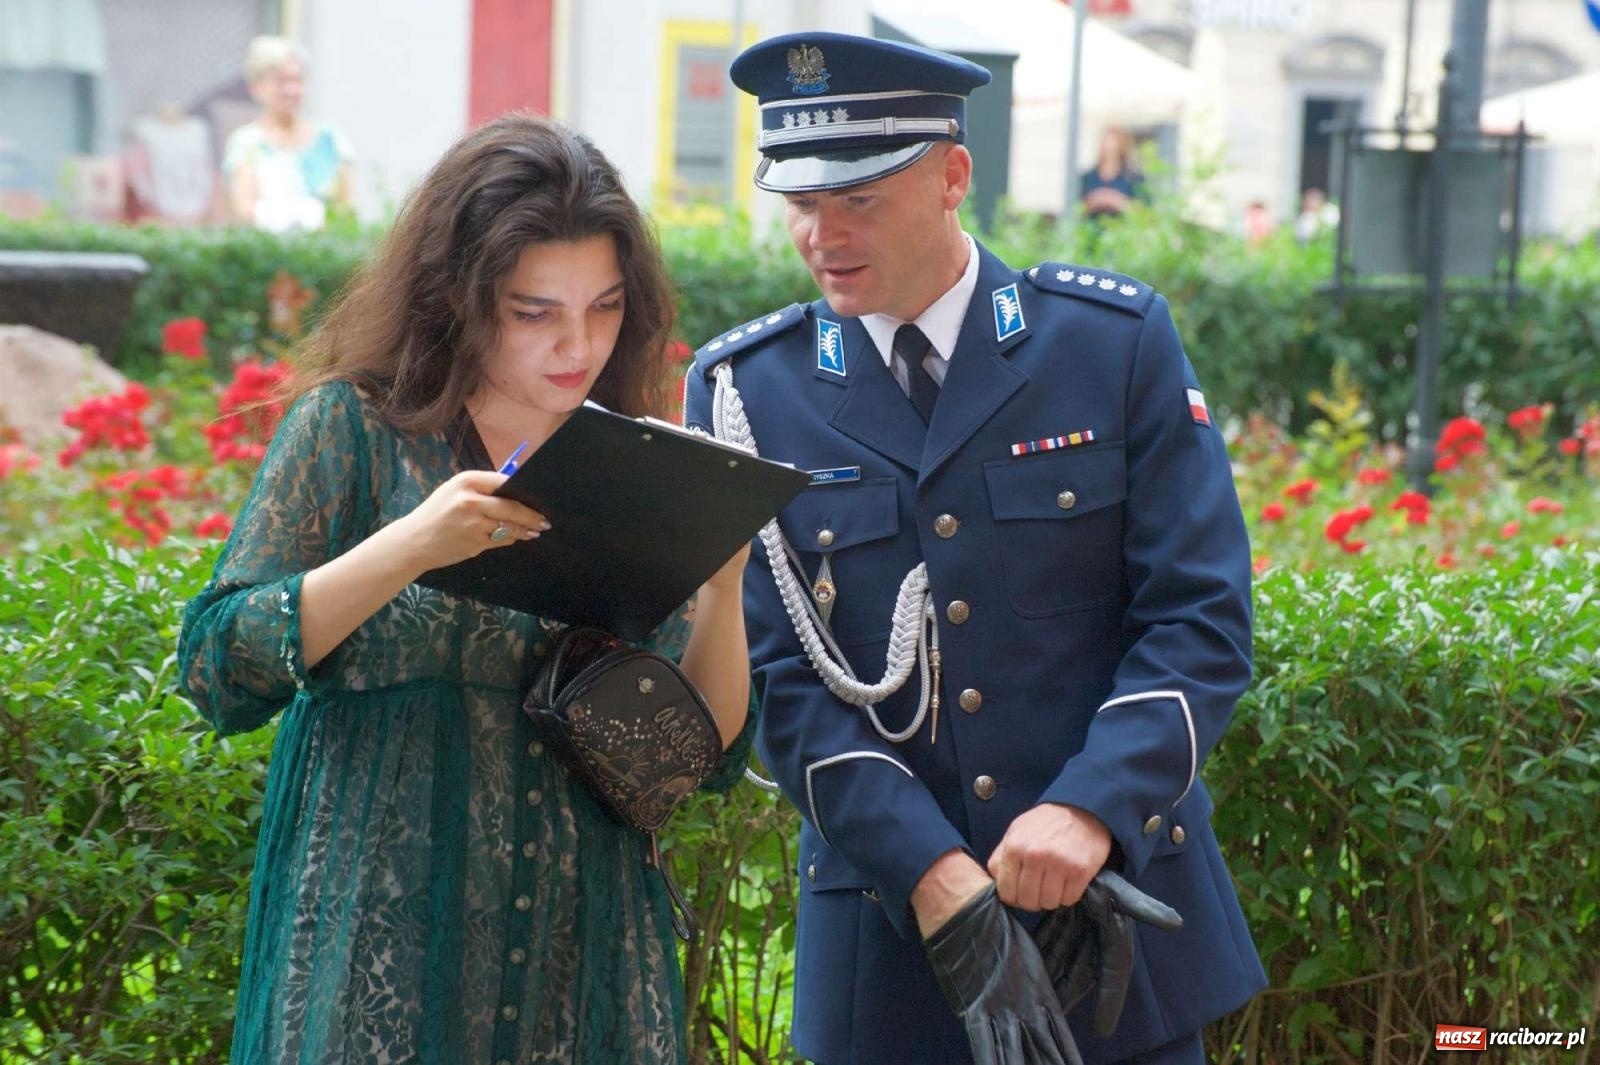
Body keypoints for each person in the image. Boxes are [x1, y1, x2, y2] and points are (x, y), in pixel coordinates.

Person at [684, 32, 1266, 1065]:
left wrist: (1090, 808)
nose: (821, 234)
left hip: (1114, 926)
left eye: (857, 198)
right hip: (889, 951)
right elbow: (780, 676)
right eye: (799, 202)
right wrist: (933, 873)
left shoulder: (1108, 344)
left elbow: (1199, 617)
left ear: (953, 176)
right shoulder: (746, 393)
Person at [179, 112, 754, 1065]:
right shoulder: (355, 429)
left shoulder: (628, 459)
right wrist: (410, 545)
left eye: (606, 307)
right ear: (458, 295)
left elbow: (693, 761)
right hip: (379, 953)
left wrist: (723, 590)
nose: (578, 344)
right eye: (536, 313)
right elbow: (218, 667)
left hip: (581, 954)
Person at [223, 35, 353, 232]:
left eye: (297, 80)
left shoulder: (332, 140)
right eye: (281, 81)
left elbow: (347, 209)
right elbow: (244, 212)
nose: (291, 90)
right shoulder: (245, 143)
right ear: (256, 87)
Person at [1079, 125, 1146, 220]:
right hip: (1092, 226)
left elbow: (1145, 214)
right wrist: (1092, 202)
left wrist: (1118, 202)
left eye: (1112, 143)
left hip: (1122, 227)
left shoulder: (1134, 179)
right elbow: (1076, 209)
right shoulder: (1087, 178)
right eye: (1104, 142)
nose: (1107, 147)